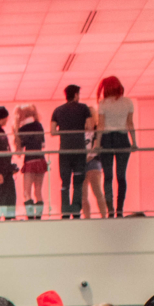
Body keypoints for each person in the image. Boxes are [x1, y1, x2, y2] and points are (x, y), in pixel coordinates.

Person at [95, 77, 136, 217]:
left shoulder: (103, 104)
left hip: (107, 139)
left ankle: (110, 209)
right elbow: (130, 123)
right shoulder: (128, 102)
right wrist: (134, 142)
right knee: (121, 176)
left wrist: (97, 144)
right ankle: (120, 209)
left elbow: (101, 125)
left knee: (108, 176)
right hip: (122, 138)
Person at [51, 84, 93, 219]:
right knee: (78, 183)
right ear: (76, 95)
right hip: (79, 150)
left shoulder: (58, 110)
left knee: (65, 183)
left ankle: (65, 211)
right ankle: (75, 211)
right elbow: (90, 126)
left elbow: (53, 131)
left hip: (64, 150)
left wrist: (65, 131)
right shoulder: (84, 108)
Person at [15, 105, 47, 220]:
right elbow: (43, 145)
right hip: (41, 159)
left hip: (29, 160)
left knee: (27, 192)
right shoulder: (39, 125)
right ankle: (38, 217)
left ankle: (30, 216)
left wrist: (16, 134)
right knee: (38, 191)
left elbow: (19, 152)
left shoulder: (22, 129)